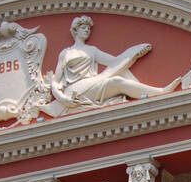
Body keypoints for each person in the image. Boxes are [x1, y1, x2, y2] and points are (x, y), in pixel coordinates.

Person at [46, 15, 181, 111]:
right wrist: (64, 99)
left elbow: (115, 62)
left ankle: (159, 91)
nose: (87, 30)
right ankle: (160, 92)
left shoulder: (92, 50)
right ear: (75, 30)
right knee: (115, 80)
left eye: (88, 28)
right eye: (83, 27)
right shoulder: (66, 53)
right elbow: (55, 82)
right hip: (74, 91)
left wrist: (133, 55)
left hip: (91, 86)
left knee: (116, 79)